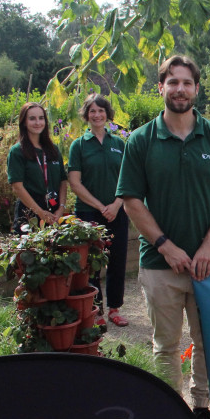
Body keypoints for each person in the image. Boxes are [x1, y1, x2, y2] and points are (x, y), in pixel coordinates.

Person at [116, 55, 210, 419]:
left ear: (196, 88)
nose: (180, 89)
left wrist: (208, 245)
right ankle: (169, 411)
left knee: (207, 343)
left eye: (187, 83)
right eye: (172, 82)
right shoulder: (140, 140)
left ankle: (202, 408)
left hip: (208, 265)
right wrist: (165, 246)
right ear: (160, 88)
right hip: (160, 264)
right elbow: (131, 200)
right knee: (166, 345)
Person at [67, 94, 129, 327]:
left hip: (117, 211)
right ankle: (96, 310)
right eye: (92, 111)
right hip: (88, 213)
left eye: (101, 110)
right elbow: (75, 183)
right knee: (91, 263)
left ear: (107, 114)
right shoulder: (79, 145)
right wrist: (100, 206)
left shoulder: (119, 144)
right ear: (86, 115)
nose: (97, 115)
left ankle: (114, 308)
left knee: (117, 260)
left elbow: (128, 178)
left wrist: (115, 205)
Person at [7, 102, 67, 232]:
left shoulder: (53, 150)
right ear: (24, 122)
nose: (37, 122)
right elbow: (17, 187)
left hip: (53, 213)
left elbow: (63, 180)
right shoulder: (17, 151)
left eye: (41, 118)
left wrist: (61, 208)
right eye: (32, 118)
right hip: (29, 214)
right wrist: (40, 212)